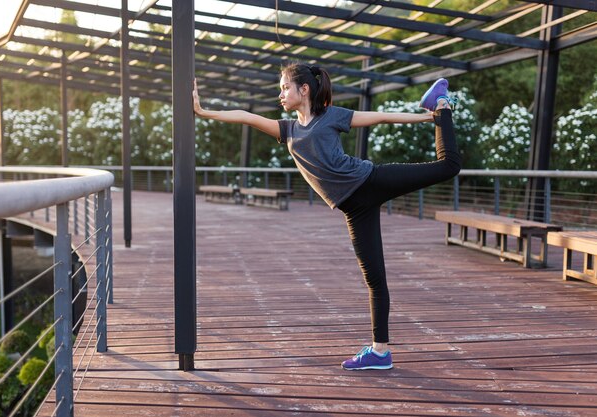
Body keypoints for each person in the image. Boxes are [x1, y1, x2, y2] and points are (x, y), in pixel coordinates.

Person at [192, 63, 461, 371]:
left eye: (284, 87)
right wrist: (203, 111)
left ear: (303, 90)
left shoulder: (331, 116)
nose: (280, 93)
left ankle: (441, 106)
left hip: (371, 181)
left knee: (449, 166)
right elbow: (245, 116)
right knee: (375, 279)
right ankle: (380, 352)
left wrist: (429, 117)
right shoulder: (288, 130)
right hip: (353, 208)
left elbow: (381, 117)